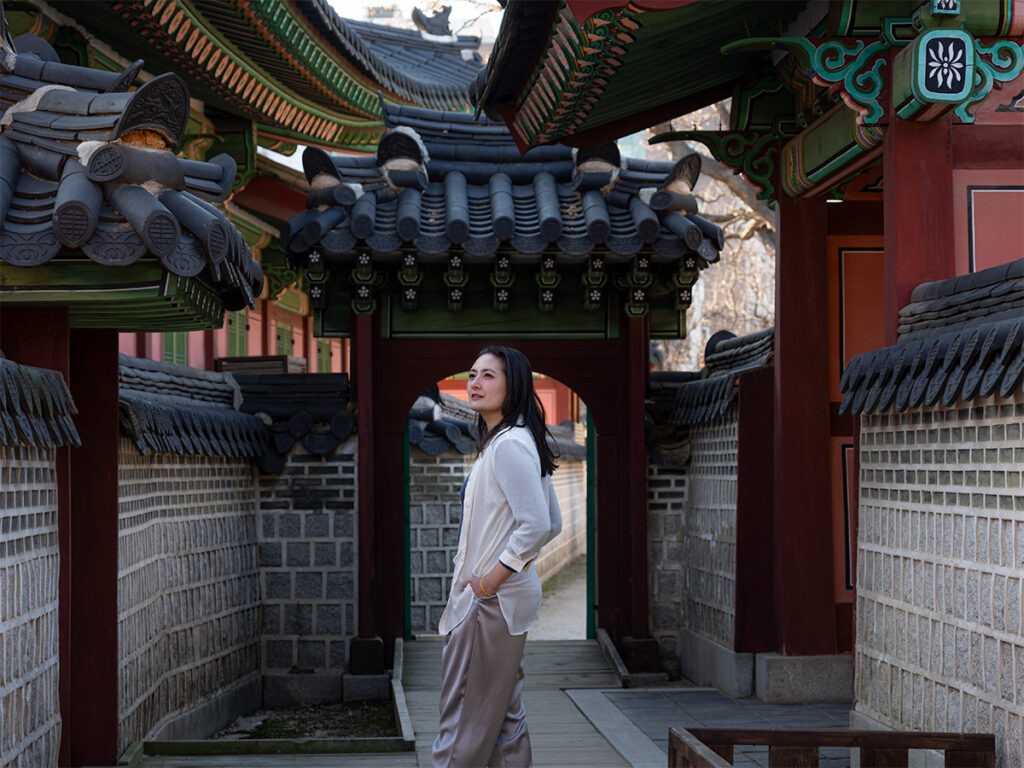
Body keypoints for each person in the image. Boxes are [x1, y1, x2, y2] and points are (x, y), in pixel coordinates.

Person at [432, 345, 562, 768]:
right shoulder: (518, 440)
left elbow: (538, 525)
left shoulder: (508, 445)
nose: (474, 383)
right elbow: (552, 521)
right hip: (505, 601)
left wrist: (490, 580)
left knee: (462, 720)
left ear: (514, 384)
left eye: (488, 375)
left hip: (490, 602)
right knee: (506, 722)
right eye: (472, 374)